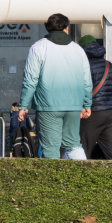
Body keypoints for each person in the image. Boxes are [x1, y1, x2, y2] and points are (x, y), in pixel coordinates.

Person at [17, 13, 92, 160]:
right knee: (73, 144)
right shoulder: (78, 49)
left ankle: (54, 182)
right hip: (74, 105)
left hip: (48, 105)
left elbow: (30, 80)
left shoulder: (38, 47)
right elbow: (87, 81)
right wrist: (87, 104)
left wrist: (23, 106)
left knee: (50, 148)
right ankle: (82, 176)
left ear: (47, 27)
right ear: (66, 28)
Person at [78, 35, 112, 160]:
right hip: (111, 112)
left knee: (83, 148)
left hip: (93, 113)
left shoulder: (85, 67)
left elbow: (82, 90)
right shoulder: (111, 66)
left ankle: (79, 177)